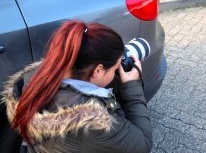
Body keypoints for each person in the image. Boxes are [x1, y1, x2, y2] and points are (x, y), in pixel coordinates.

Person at [2, 20, 152, 153]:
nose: (117, 70)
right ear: (98, 71)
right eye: (115, 68)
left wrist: (113, 61)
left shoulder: (33, 80)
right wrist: (132, 85)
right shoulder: (93, 126)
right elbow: (143, 144)